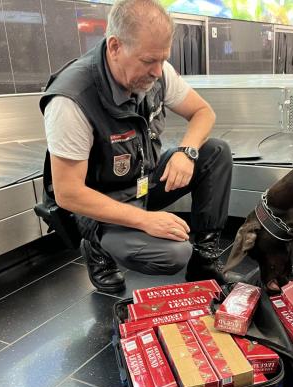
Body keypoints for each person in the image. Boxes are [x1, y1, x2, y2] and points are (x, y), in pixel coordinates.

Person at [40, 0, 236, 294]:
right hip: (99, 204)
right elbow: (68, 193)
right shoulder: (71, 100)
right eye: (148, 61)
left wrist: (187, 151)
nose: (158, 71)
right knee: (173, 254)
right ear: (115, 47)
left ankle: (205, 259)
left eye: (163, 59)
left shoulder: (157, 71)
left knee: (216, 153)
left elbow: (203, 112)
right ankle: (96, 248)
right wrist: (146, 221)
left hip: (142, 179)